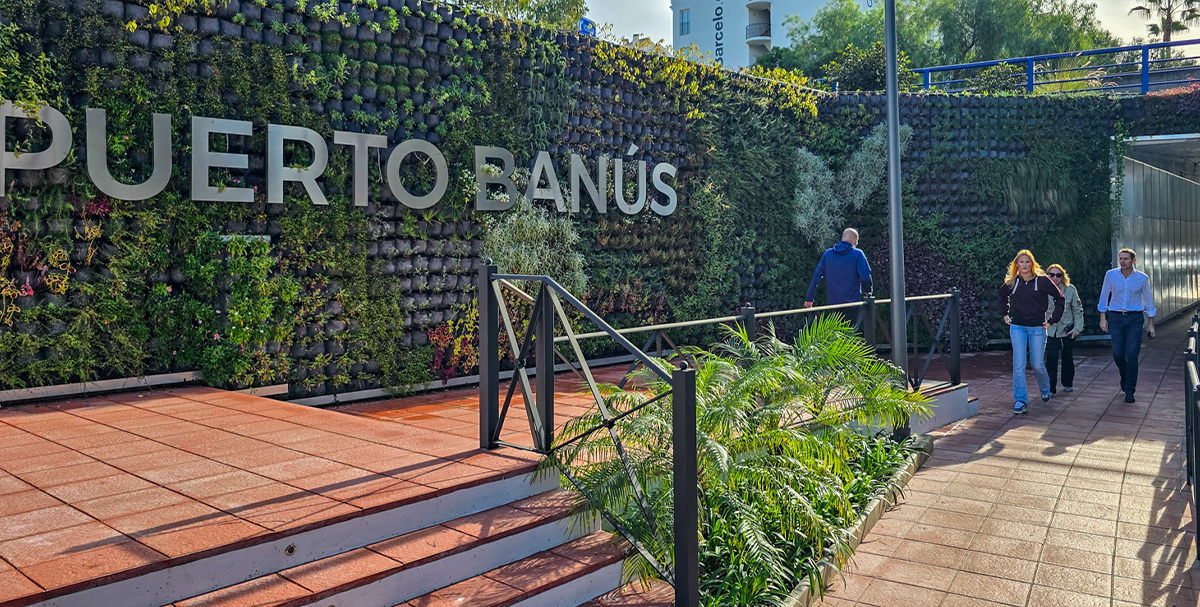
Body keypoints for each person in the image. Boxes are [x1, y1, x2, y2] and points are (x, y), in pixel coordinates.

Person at [1000, 250, 1064, 414]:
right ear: (1016, 265)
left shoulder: (1042, 281)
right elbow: (1002, 296)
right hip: (1018, 327)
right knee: (1019, 364)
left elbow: (1060, 299)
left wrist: (1051, 320)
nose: (1024, 265)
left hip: (1037, 328)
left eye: (1027, 262)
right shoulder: (1013, 282)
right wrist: (1004, 314)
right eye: (1021, 262)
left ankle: (1045, 388)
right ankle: (1020, 400)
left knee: (1037, 365)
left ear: (1032, 264)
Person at [1098, 248, 1156, 403]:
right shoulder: (1111, 275)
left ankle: (1130, 390)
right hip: (1116, 316)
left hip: (1135, 318)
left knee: (1131, 354)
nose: (1122, 261)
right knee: (1117, 353)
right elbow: (1104, 296)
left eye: (1125, 258)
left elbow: (1149, 300)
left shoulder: (1142, 278)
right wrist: (1103, 318)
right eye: (1120, 258)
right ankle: (1125, 375)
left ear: (1133, 260)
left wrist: (1151, 324)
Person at [804, 228, 873, 314]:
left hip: (833, 302)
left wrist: (809, 298)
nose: (857, 243)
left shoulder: (828, 254)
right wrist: (868, 292)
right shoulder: (858, 254)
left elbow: (816, 276)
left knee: (836, 327)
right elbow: (865, 276)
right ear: (853, 239)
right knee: (851, 326)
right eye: (857, 241)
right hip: (852, 302)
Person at [1044, 264, 1083, 395]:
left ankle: (1067, 382)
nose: (1055, 277)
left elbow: (1077, 310)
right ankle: (1050, 387)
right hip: (1050, 329)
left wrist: (1077, 329)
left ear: (1062, 276)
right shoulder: (1043, 290)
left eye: (1058, 275)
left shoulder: (1070, 290)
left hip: (1067, 328)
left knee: (1067, 356)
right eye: (1052, 275)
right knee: (1051, 358)